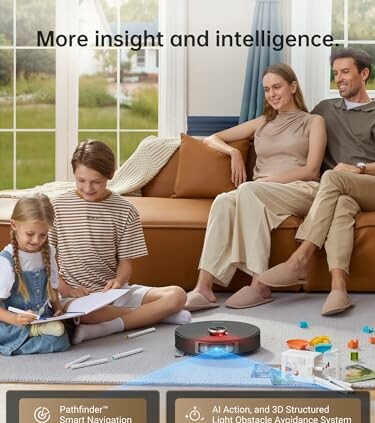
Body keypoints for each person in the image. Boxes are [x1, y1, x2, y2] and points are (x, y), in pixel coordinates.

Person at [185, 63, 327, 311]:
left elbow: (312, 170)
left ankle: (260, 284)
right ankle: (203, 288)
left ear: (292, 87)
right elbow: (212, 139)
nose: (272, 94)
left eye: (277, 87)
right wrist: (233, 153)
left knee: (249, 191)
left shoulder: (313, 122)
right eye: (267, 89)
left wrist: (265, 182)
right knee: (222, 201)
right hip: (261, 193)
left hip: (301, 190)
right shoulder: (262, 122)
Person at [257, 48, 375, 316]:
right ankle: (338, 288)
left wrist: (359, 169)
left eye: (346, 71)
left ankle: (300, 258)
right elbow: (296, 128)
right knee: (342, 204)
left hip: (369, 183)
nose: (340, 78)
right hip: (339, 192)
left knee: (332, 176)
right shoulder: (325, 109)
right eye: (336, 73)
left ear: (364, 73)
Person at [49, 140, 190, 345]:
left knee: (177, 295)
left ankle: (106, 328)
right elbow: (48, 259)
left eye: (96, 182)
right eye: (81, 180)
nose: (87, 188)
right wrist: (65, 289)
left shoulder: (125, 210)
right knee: (82, 314)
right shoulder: (57, 207)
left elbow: (126, 263)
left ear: (111, 175)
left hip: (113, 293)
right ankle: (157, 315)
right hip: (77, 297)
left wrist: (118, 282)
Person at [0, 194, 70, 356]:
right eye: (30, 234)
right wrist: (14, 319)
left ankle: (36, 331)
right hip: (12, 321)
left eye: (43, 235)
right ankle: (33, 332)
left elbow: (52, 289)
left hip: (41, 317)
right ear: (14, 225)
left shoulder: (49, 251)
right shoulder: (6, 261)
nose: (36, 240)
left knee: (62, 340)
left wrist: (58, 309)